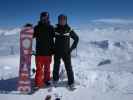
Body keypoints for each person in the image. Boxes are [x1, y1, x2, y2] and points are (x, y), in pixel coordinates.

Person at [53, 14, 79, 87]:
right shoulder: (55, 29)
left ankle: (71, 82)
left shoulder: (69, 29)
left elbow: (76, 38)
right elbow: (49, 38)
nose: (62, 21)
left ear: (66, 20)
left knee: (68, 67)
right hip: (57, 51)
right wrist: (52, 48)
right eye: (60, 19)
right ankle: (55, 79)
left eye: (63, 19)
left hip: (66, 52)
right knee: (56, 66)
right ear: (58, 20)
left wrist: (71, 49)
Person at [33, 12, 54, 88]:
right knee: (39, 69)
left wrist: (53, 50)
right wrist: (27, 29)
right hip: (39, 53)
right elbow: (31, 36)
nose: (44, 19)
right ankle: (38, 83)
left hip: (48, 53)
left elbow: (53, 39)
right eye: (43, 18)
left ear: (48, 18)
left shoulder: (51, 28)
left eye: (46, 18)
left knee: (47, 69)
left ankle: (47, 80)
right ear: (40, 18)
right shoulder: (36, 28)